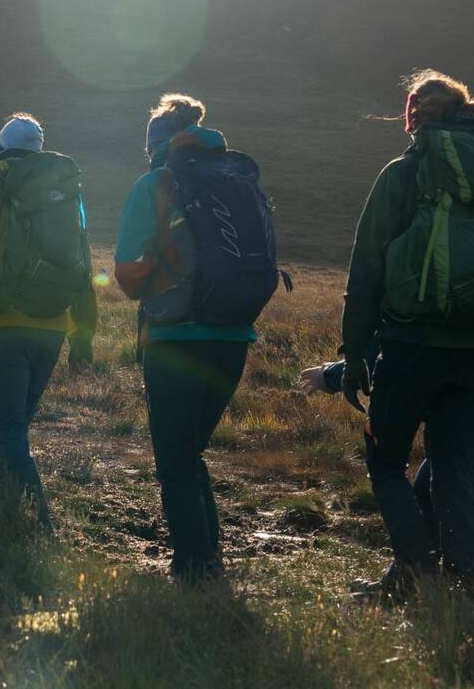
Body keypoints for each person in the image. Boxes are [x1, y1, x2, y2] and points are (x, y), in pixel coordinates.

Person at [340, 70, 474, 602]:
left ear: (414, 115)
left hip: (410, 347)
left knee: (386, 464)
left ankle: (415, 574)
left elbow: (367, 270)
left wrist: (354, 356)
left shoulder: (403, 175)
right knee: (456, 475)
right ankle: (473, 595)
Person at [114, 93, 281, 585]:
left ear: (156, 144)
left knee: (175, 458)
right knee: (191, 452)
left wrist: (151, 284)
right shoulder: (236, 180)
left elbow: (125, 271)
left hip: (174, 339)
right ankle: (210, 556)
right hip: (233, 337)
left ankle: (194, 569)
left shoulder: (155, 184)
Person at [0, 113, 96, 528]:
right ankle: (3, 516)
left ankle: (41, 525)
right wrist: (82, 341)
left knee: (6, 433)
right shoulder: (69, 196)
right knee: (14, 431)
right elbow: (83, 269)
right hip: (53, 329)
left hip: (2, 328)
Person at [299, 344, 474, 601]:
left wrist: (332, 375)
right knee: (428, 495)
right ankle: (404, 584)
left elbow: (392, 350)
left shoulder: (432, 307)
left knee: (469, 505)